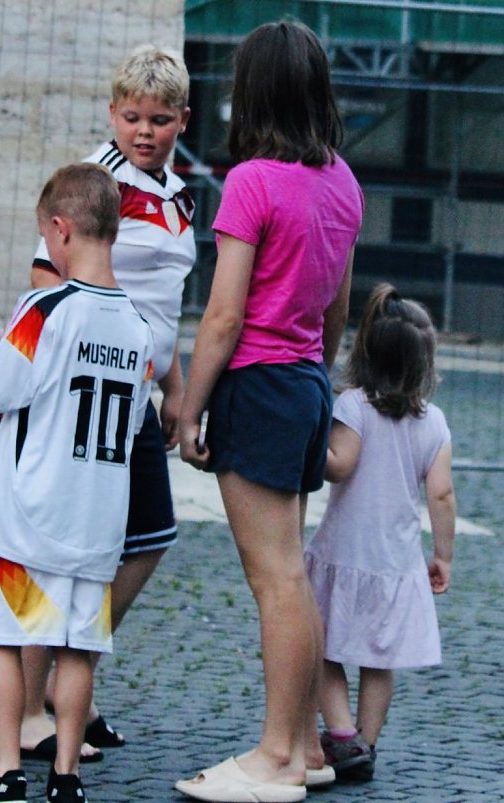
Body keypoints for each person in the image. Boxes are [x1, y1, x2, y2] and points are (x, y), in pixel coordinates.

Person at [175, 20, 364, 803]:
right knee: (293, 577)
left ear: (249, 91)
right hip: (306, 385)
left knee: (277, 579)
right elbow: (337, 310)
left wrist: (189, 410)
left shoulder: (252, 179)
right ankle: (311, 746)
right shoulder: (345, 182)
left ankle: (279, 755)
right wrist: (311, 377)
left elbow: (222, 316)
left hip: (257, 382)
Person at [0, 162, 154, 803]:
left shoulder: (46, 308)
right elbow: (127, 428)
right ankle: (66, 779)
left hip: (27, 514)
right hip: (95, 517)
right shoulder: (138, 327)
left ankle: (7, 772)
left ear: (61, 231)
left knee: (5, 641)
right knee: (77, 653)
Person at [24, 42, 195, 761]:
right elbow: (44, 278)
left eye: (159, 118)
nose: (145, 131)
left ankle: (72, 674)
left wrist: (179, 391)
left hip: (140, 394)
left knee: (148, 538)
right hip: (89, 392)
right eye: (132, 116)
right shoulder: (97, 183)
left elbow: (166, 304)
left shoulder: (183, 193)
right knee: (63, 552)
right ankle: (34, 706)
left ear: (183, 120)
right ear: (111, 113)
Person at [305, 283, 456, 782]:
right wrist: (443, 555)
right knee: (379, 661)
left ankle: (343, 737)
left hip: (343, 553)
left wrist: (309, 446)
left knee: (324, 648)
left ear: (366, 353)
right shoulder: (433, 423)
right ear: (424, 363)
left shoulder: (354, 408)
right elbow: (440, 494)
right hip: (396, 564)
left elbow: (340, 466)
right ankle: (366, 742)